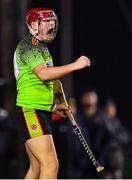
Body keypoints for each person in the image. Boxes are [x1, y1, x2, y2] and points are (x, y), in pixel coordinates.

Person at [13, 7, 91, 179]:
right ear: (33, 25)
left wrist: (53, 106)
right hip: (31, 110)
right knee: (50, 164)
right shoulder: (28, 46)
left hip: (39, 109)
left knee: (36, 168)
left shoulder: (42, 48)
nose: (50, 26)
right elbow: (43, 74)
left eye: (52, 22)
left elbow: (40, 84)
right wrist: (76, 65)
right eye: (45, 22)